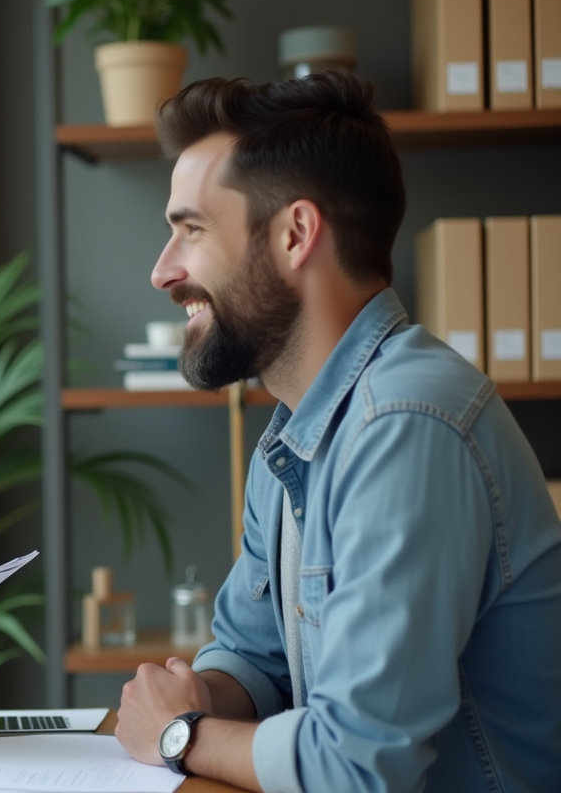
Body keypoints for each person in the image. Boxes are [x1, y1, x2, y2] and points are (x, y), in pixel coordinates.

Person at [113, 72, 561, 793]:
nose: (164, 270)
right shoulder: (296, 432)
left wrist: (179, 735)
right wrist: (199, 698)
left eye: (191, 228)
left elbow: (356, 765)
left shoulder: (406, 425)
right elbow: (255, 657)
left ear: (295, 233)